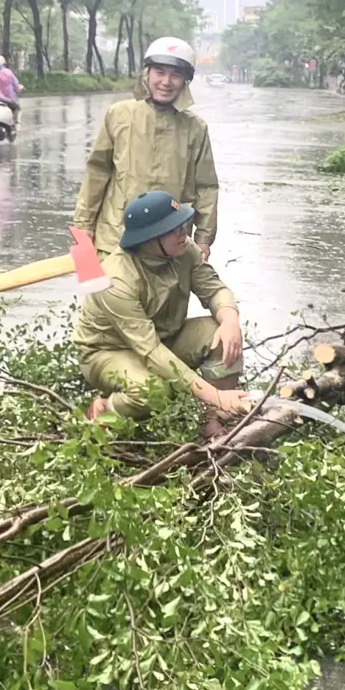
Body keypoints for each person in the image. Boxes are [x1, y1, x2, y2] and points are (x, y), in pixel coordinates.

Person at [75, 191, 249, 439]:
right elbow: (150, 350)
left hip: (164, 337)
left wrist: (231, 319)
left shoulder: (185, 250)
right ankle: (104, 410)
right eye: (173, 229)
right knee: (152, 392)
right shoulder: (117, 280)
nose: (184, 233)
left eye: (183, 225)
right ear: (148, 238)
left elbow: (214, 290)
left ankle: (210, 420)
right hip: (108, 351)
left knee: (220, 334)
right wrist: (215, 394)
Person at [74, 37, 219, 258]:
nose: (166, 81)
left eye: (175, 75)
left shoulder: (195, 128)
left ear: (185, 81)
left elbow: (206, 187)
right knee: (108, 292)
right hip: (115, 240)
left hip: (171, 245)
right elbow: (97, 172)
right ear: (147, 74)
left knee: (168, 293)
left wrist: (204, 239)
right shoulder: (119, 115)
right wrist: (84, 225)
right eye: (159, 72)